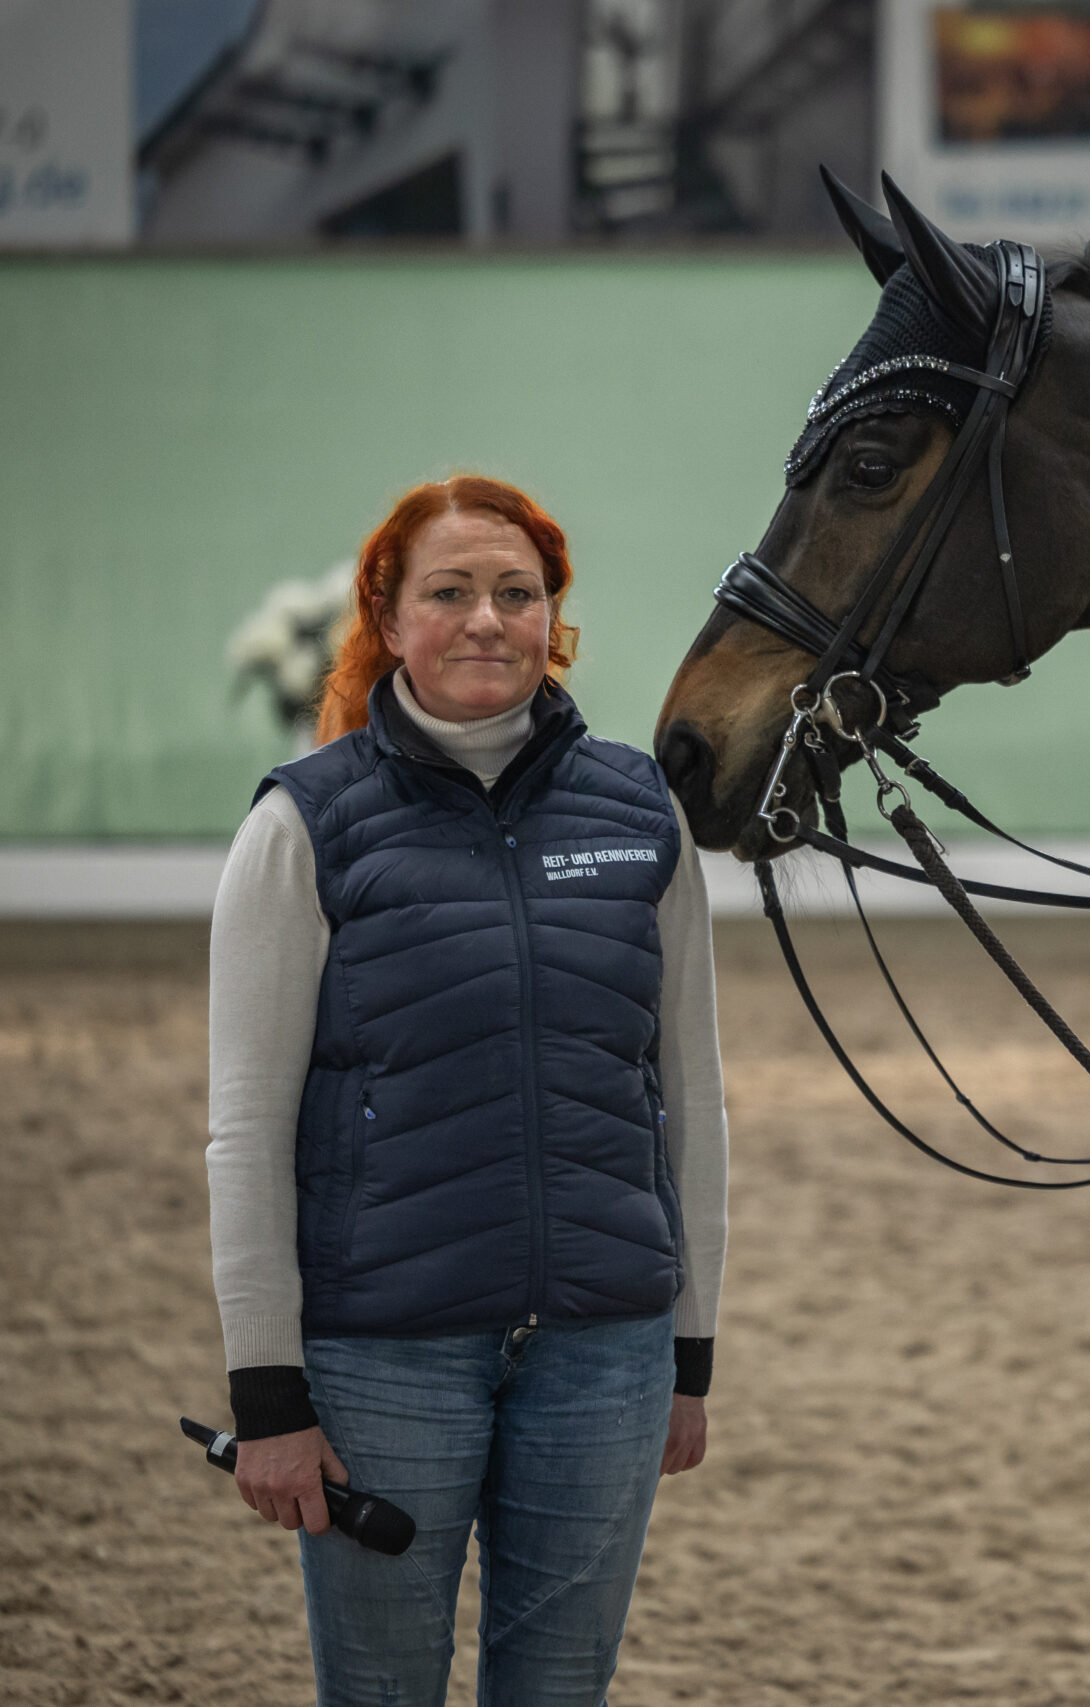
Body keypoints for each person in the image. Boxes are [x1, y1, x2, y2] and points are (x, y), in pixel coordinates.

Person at [204, 475, 730, 1704]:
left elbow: (691, 1100)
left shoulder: (641, 809)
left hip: (608, 1353)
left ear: (555, 616)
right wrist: (268, 1391)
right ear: (387, 619)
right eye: (449, 593)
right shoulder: (305, 824)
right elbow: (245, 1128)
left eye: (517, 591)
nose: (487, 619)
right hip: (384, 1359)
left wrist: (688, 1355)